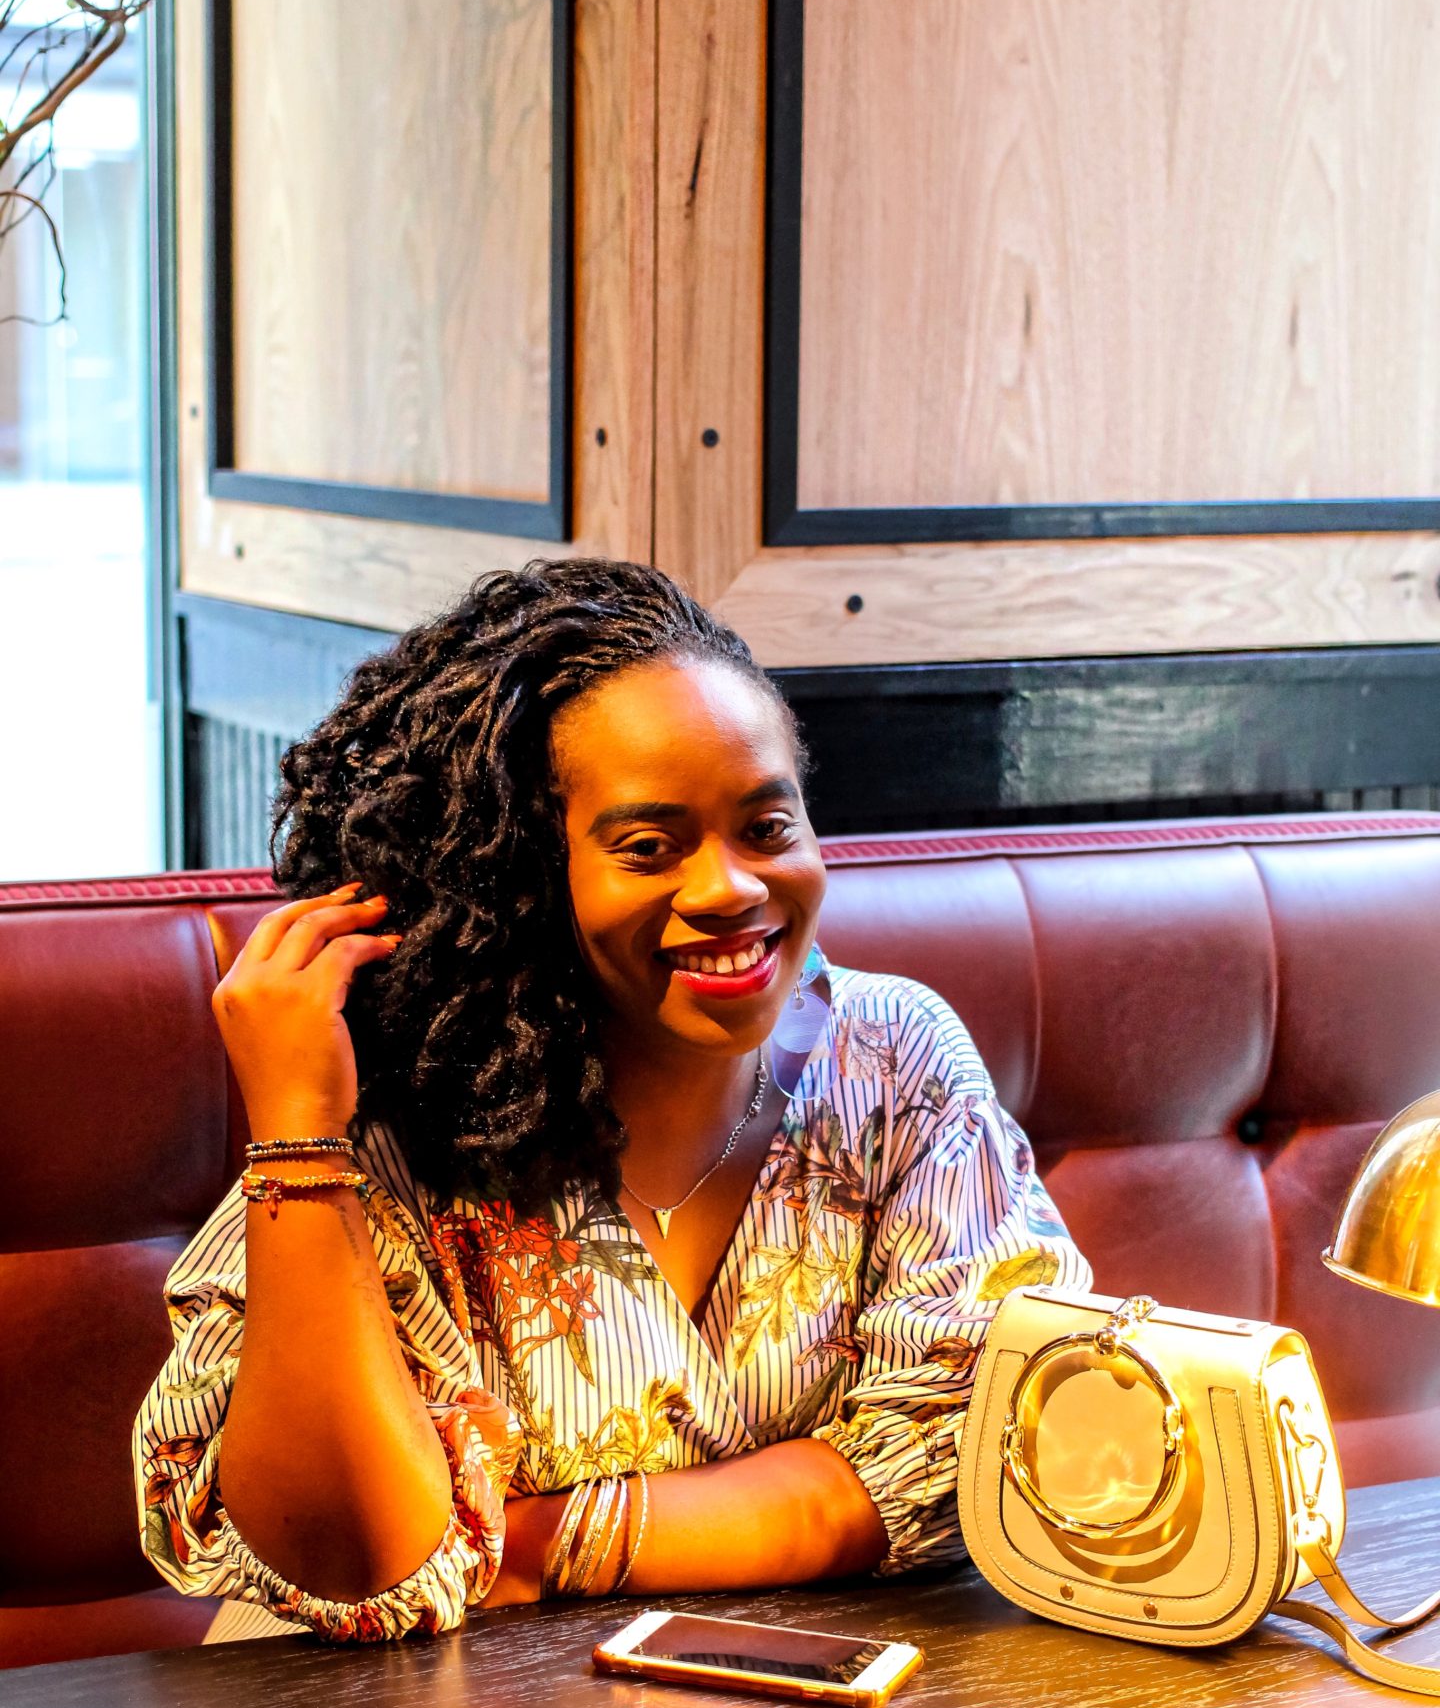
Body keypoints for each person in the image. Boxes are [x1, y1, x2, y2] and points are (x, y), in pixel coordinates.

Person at [134, 559, 1089, 1641]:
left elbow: (975, 1450)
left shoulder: (895, 1061)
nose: (731, 887)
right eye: (649, 847)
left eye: (768, 828)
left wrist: (529, 1546)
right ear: (523, 876)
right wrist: (299, 1138)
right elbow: (356, 1564)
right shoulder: (398, 1115)